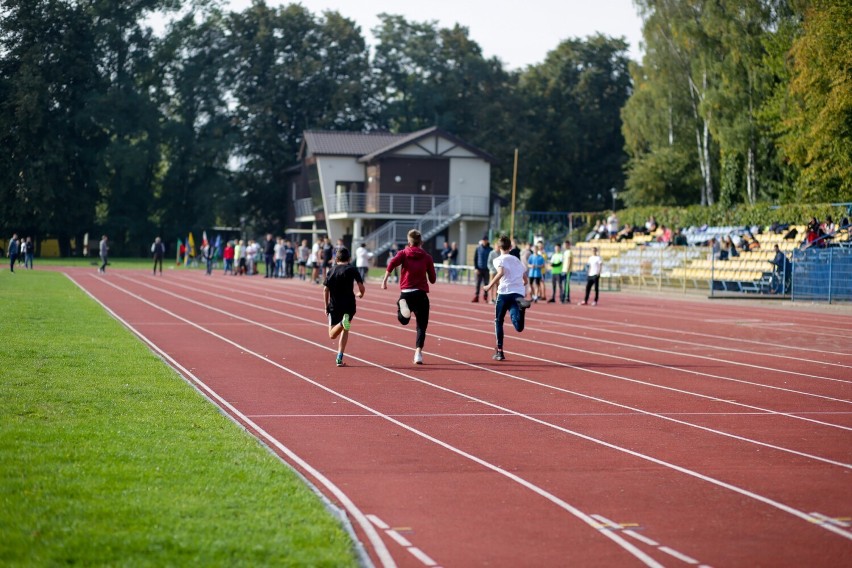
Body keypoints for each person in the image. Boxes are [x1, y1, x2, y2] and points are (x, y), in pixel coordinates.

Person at [381, 229, 437, 365]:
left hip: (406, 293)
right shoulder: (427, 257)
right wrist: (428, 272)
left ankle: (402, 306)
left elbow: (392, 263)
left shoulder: (403, 253)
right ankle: (418, 353)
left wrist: (384, 280)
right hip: (421, 294)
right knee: (421, 327)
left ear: (409, 242)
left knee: (404, 320)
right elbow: (433, 279)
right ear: (421, 242)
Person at [483, 235, 531, 361]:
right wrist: (519, 286)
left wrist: (489, 286)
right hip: (518, 294)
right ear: (510, 247)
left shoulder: (498, 260)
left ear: (499, 247)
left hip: (504, 293)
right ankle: (521, 310)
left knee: (499, 321)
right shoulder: (517, 260)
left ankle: (500, 351)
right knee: (518, 327)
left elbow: (501, 272)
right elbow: (525, 280)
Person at [323, 247, 365, 367]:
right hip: (349, 305)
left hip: (335, 305)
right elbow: (361, 288)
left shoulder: (331, 271)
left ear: (336, 259)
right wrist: (360, 294)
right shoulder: (352, 269)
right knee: (345, 330)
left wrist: (326, 306)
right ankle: (339, 357)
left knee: (332, 334)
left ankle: (341, 323)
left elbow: (325, 289)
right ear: (349, 258)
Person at [472, 237, 491, 302]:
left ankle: (485, 296)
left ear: (487, 241)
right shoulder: (478, 248)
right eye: (483, 240)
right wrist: (476, 268)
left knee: (486, 283)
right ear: (482, 241)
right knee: (478, 284)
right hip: (479, 269)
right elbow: (475, 259)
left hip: (487, 269)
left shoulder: (490, 249)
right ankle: (476, 296)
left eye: (485, 240)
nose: (484, 241)